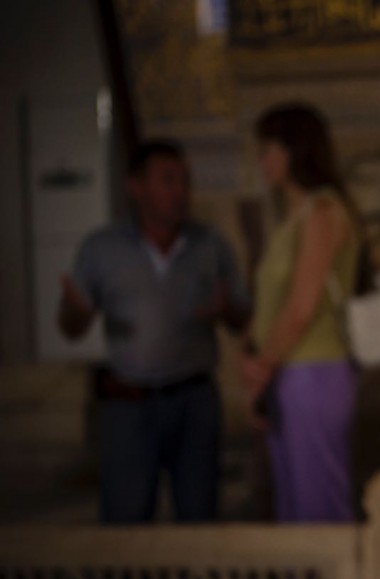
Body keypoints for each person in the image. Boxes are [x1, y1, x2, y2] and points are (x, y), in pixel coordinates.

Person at [59, 139, 251, 523]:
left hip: (194, 401)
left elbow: (242, 318)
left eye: (184, 181)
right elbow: (71, 327)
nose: (180, 191)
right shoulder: (102, 248)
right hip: (129, 404)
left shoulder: (209, 244)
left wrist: (225, 307)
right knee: (125, 520)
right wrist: (76, 310)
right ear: (137, 187)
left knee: (200, 516)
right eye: (168, 180)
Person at [244, 103, 363, 522]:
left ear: (293, 151)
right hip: (289, 372)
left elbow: (301, 306)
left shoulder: (322, 211)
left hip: (314, 371)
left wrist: (260, 368)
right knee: (294, 506)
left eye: (267, 150)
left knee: (318, 505)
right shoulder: (294, 216)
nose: (261, 162)